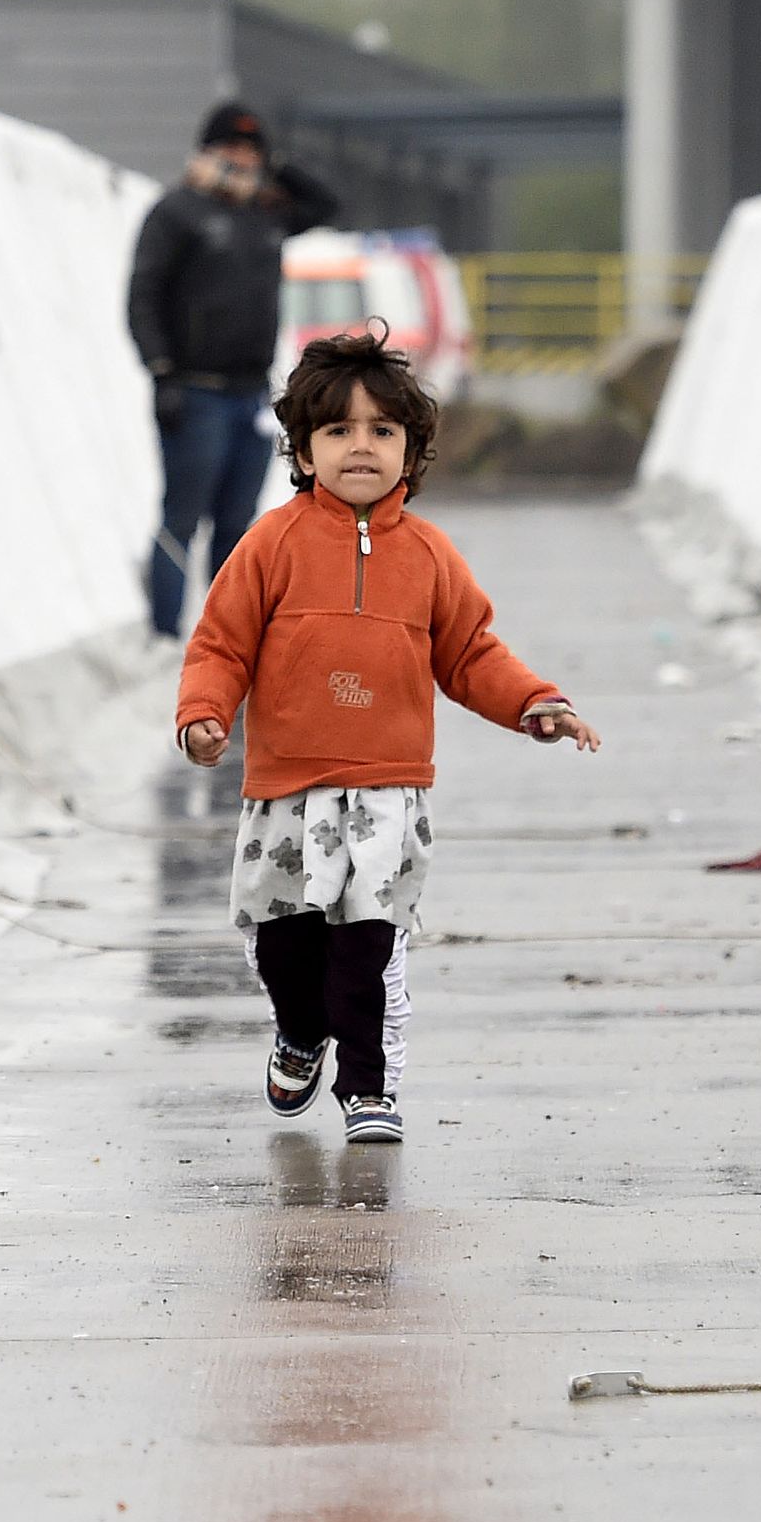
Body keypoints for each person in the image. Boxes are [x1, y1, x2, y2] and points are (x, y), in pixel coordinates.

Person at [173, 331, 601, 1145]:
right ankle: (300, 1032)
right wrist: (204, 713)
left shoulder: (430, 555)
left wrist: (533, 702)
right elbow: (221, 644)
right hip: (288, 789)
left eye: (382, 430)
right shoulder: (271, 543)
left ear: (412, 448)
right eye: (338, 431)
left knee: (365, 949)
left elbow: (471, 652)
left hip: (387, 793)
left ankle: (367, 1086)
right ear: (304, 452)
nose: (361, 446)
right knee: (284, 948)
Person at [127, 100, 342, 636]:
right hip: (195, 392)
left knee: (238, 526)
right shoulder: (177, 211)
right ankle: (164, 635)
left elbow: (327, 204)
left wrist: (277, 164)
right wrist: (161, 370)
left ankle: (228, 641)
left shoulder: (266, 213)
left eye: (251, 151)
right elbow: (143, 295)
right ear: (206, 152)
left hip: (252, 395)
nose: (242, 160)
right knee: (182, 519)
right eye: (231, 148)